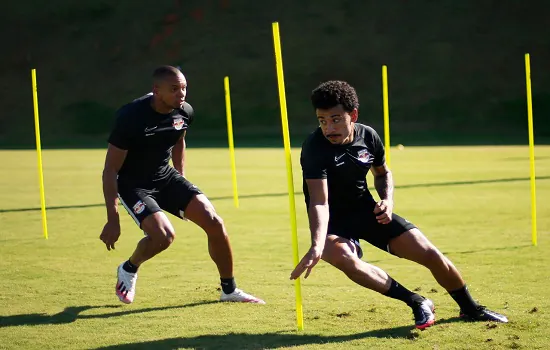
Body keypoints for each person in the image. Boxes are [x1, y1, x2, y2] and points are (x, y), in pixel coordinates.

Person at [290, 80, 507, 329]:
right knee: (344, 259)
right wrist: (317, 245)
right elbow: (319, 201)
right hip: (333, 222)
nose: (329, 128)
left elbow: (382, 173)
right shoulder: (314, 147)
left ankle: (470, 309)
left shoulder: (368, 135)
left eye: (336, 119)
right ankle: (416, 301)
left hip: (369, 212)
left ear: (353, 115)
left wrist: (388, 201)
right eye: (322, 120)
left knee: (431, 255)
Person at [99, 65, 264, 305]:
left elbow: (178, 141)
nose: (182, 94)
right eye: (174, 89)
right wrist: (112, 218)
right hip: (134, 184)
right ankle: (129, 267)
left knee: (215, 222)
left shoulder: (184, 111)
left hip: (165, 176)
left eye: (184, 88)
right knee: (164, 237)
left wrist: (181, 177)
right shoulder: (130, 117)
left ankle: (229, 290)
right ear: (156, 90)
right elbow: (110, 170)